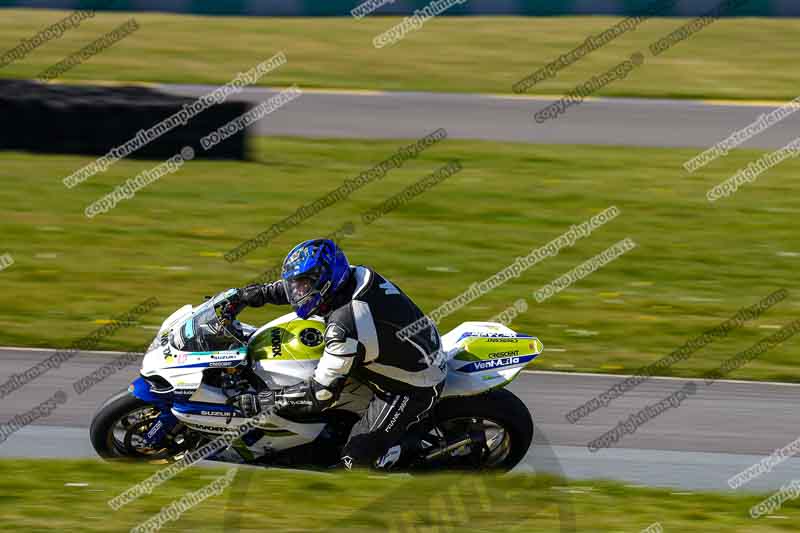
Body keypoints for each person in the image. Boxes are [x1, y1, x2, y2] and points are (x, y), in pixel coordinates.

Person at [230, 239, 445, 469]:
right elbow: (300, 290)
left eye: (303, 285)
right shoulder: (353, 276)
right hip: (401, 349)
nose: (297, 292)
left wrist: (263, 401)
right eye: (296, 285)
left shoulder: (345, 325)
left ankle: (398, 452)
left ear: (325, 282)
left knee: (352, 464)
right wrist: (252, 295)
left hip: (413, 385)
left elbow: (321, 394)